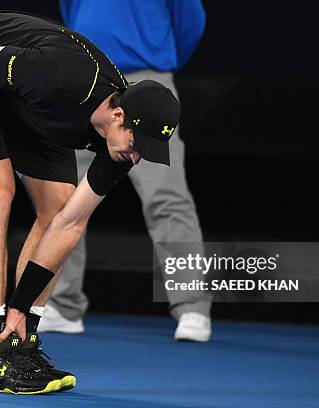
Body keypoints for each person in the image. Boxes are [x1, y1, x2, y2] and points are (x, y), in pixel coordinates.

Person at [0, 10, 180, 394]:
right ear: (118, 116)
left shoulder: (117, 147)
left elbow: (71, 223)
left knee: (58, 208)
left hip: (30, 105)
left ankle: (19, 343)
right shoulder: (62, 77)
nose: (136, 156)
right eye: (137, 143)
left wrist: (23, 308)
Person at [39, 0, 212, 342]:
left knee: (165, 195)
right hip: (87, 83)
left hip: (145, 80)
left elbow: (190, 22)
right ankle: (62, 304)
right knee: (65, 195)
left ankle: (192, 306)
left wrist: (159, 60)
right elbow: (71, 13)